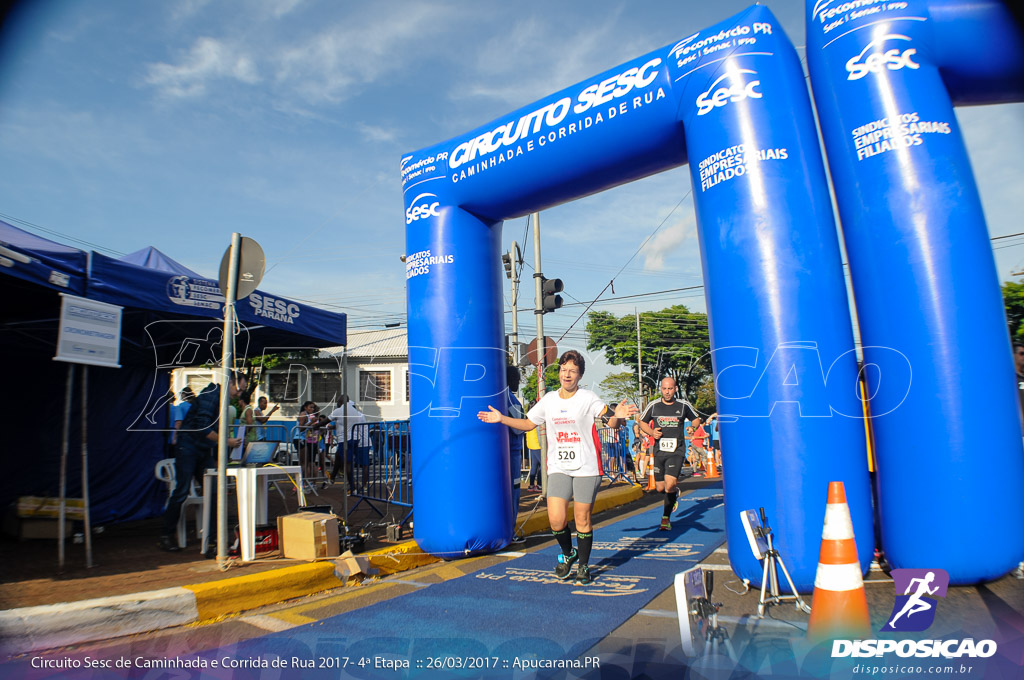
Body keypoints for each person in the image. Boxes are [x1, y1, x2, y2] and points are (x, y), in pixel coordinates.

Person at [478, 349, 637, 585]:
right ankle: (569, 552)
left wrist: (619, 416)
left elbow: (610, 421)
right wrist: (502, 419)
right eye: (564, 370)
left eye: (573, 371)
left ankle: (583, 565)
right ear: (559, 372)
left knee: (582, 518)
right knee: (555, 519)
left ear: (580, 375)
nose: (567, 374)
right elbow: (528, 423)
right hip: (559, 467)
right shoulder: (549, 400)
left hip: (586, 467)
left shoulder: (588, 398)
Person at [160, 372, 245, 554]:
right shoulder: (212, 394)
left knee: (215, 492)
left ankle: (214, 539)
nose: (239, 395)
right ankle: (166, 535)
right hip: (188, 446)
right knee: (182, 490)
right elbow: (203, 427)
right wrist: (227, 441)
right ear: (231, 383)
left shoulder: (222, 399)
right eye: (239, 390)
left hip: (203, 449)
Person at [637, 376, 699, 531]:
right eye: (664, 389)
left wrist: (692, 427)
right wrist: (652, 432)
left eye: (670, 388)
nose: (667, 392)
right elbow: (642, 422)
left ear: (675, 389)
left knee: (669, 484)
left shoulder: (683, 405)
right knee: (660, 488)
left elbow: (696, 419)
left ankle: (665, 518)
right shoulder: (654, 406)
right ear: (661, 389)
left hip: (676, 451)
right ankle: (674, 493)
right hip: (659, 451)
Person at [329, 396, 369, 492]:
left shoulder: (358, 415)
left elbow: (349, 427)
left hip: (360, 442)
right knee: (339, 456)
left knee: (359, 464)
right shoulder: (352, 415)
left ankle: (360, 486)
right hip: (353, 440)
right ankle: (335, 477)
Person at [506, 366, 525, 517]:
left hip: (504, 452)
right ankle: (511, 530)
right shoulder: (512, 400)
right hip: (513, 452)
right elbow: (519, 428)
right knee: (514, 490)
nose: (518, 383)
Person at [169, 387, 196, 456]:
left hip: (180, 437)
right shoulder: (194, 406)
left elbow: (178, 422)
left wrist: (174, 437)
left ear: (183, 394)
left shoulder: (180, 407)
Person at [525, 425, 542, 493]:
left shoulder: (529, 419)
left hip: (531, 444)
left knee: (535, 465)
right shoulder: (537, 420)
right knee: (542, 465)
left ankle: (531, 485)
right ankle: (539, 485)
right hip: (537, 445)